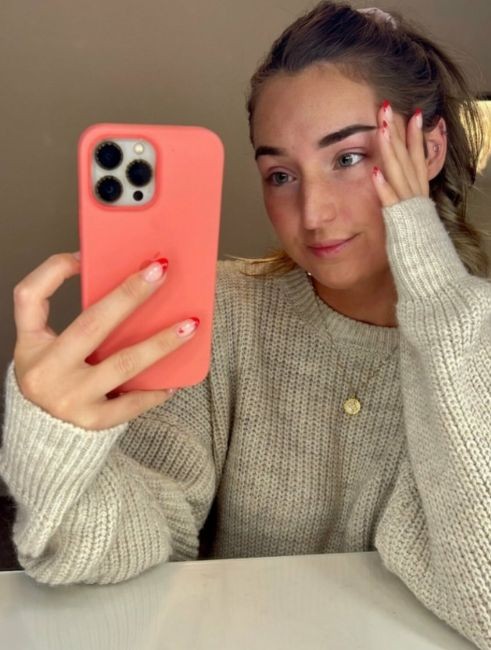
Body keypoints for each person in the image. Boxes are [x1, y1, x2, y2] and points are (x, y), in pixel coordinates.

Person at [1, 2, 490, 648]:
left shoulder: (474, 337)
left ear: (427, 148)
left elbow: (481, 600)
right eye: (280, 175)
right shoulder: (222, 311)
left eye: (347, 158)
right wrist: (55, 452)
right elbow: (135, 543)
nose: (312, 213)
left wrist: (431, 283)